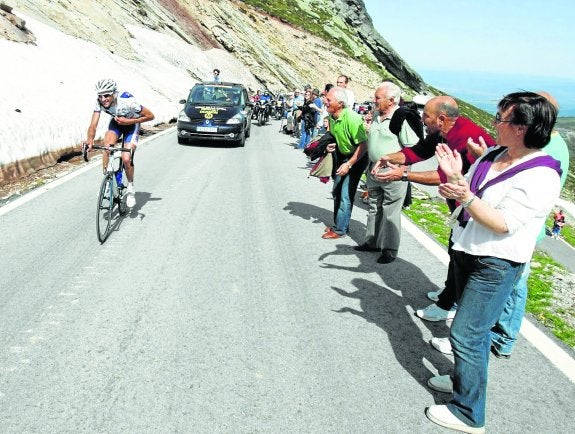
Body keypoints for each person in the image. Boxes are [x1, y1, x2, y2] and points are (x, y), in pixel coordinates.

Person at [425, 91, 562, 433]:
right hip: (469, 249)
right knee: (475, 333)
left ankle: (469, 413)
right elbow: (469, 193)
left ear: (522, 127)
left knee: (466, 333)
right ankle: (462, 381)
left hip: (497, 262)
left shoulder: (542, 174)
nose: (494, 124)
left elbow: (503, 223)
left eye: (501, 119)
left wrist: (465, 194)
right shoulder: (495, 153)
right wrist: (455, 178)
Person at [372, 96, 495, 322]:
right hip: (460, 207)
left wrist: (404, 174)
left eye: (425, 115)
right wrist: (389, 157)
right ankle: (450, 290)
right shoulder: (442, 132)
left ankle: (449, 304)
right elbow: (417, 152)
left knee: (460, 254)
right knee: (454, 249)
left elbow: (443, 176)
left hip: (474, 210)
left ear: (441, 119)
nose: (421, 118)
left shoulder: (465, 136)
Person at [354, 82, 420, 263]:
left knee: (390, 210)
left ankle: (390, 249)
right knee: (374, 206)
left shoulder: (401, 118)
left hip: (393, 171)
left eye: (377, 98)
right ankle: (372, 241)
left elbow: (412, 149)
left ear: (391, 101)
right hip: (374, 168)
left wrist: (402, 171)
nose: (373, 100)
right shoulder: (376, 114)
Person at [86, 79, 155, 208]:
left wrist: (129, 122)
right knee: (107, 147)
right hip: (117, 123)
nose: (103, 99)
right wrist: (90, 141)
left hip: (131, 124)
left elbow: (151, 116)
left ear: (114, 93)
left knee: (126, 158)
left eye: (106, 95)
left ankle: (130, 188)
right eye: (100, 96)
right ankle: (107, 181)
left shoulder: (128, 102)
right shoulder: (99, 102)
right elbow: (93, 125)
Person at [322, 86, 368, 239]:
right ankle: (339, 224)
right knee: (336, 191)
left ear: (340, 104)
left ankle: (340, 230)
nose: (325, 102)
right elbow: (336, 136)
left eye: (329, 100)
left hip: (357, 158)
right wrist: (331, 145)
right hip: (342, 156)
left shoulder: (352, 118)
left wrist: (349, 164)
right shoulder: (332, 117)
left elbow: (363, 144)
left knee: (345, 194)